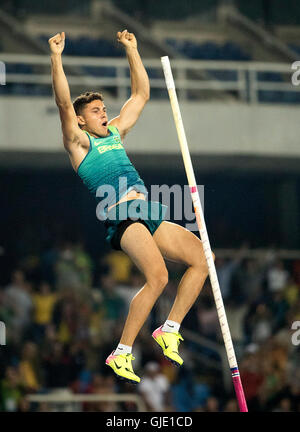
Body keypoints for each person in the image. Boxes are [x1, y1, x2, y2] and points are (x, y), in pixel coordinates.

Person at [49, 30, 213, 384]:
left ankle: (170, 328)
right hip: (121, 214)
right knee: (158, 277)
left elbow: (140, 94)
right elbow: (64, 104)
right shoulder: (79, 143)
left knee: (202, 259)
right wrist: (56, 58)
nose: (104, 114)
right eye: (96, 111)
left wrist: (133, 51)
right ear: (81, 121)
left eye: (104, 109)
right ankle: (121, 352)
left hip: (147, 209)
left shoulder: (117, 132)